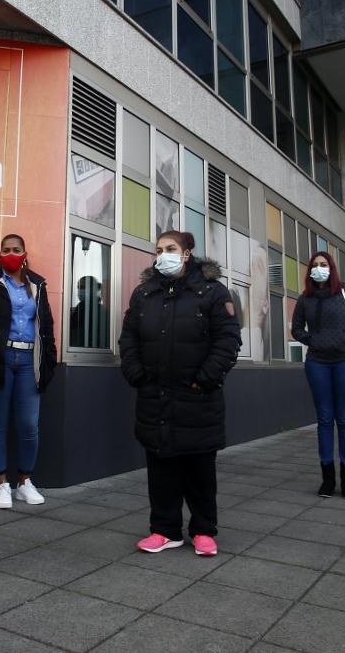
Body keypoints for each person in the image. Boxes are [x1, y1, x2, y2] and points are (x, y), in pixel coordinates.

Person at [120, 231, 241, 558]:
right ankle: (164, 530)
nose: (163, 255)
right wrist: (135, 374)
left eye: (170, 249)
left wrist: (206, 379)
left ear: (187, 253)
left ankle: (203, 530)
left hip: (198, 398)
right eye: (159, 250)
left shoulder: (213, 292)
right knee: (161, 471)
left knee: (200, 472)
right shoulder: (144, 293)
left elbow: (228, 341)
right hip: (154, 397)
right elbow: (129, 339)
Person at [0, 234, 58, 509]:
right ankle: (1, 485)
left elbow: (47, 327)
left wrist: (49, 362)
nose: (10, 254)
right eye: (6, 250)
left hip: (29, 360)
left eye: (15, 250)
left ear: (24, 253)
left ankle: (25, 482)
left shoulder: (37, 286)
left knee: (29, 425)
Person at [291, 252, 345, 498]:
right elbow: (296, 329)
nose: (319, 269)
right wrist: (313, 340)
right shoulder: (305, 298)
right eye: (314, 265)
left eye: (323, 265)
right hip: (318, 364)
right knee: (325, 420)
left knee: (344, 420)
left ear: (332, 268)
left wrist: (344, 339)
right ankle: (327, 479)